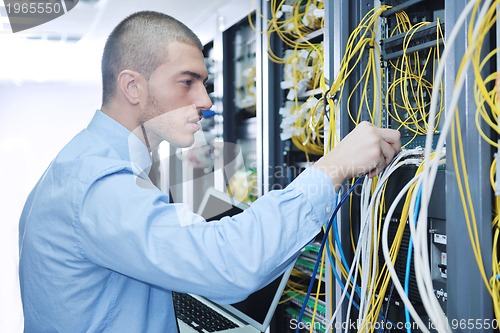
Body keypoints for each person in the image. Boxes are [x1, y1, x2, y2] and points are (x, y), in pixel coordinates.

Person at [18, 11, 401, 333]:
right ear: (133, 87)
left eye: (204, 82)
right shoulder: (98, 186)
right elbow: (231, 263)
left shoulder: (83, 165)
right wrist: (332, 167)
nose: (205, 101)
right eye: (187, 82)